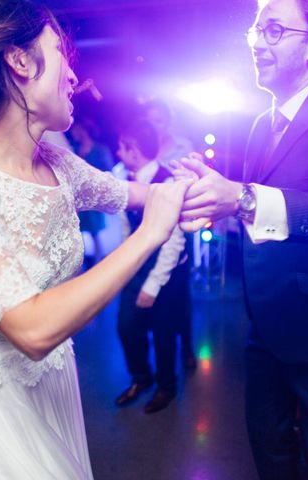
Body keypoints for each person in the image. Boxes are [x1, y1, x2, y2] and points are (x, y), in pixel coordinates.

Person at [0, 1, 189, 478]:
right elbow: (32, 329)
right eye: (61, 52)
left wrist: (218, 192)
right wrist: (147, 237)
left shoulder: (59, 164)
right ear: (20, 61)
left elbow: (143, 193)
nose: (72, 75)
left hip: (54, 385)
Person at [175, 0, 308, 478]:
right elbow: (262, 214)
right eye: (256, 29)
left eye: (273, 30)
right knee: (268, 448)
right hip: (268, 324)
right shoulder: (259, 124)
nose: (255, 42)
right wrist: (215, 203)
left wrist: (242, 198)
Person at [114, 120, 191, 414]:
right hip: (137, 266)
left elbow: (173, 242)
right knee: (126, 327)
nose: (119, 152)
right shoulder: (126, 180)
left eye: (123, 147)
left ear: (134, 150)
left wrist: (153, 284)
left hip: (165, 271)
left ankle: (166, 387)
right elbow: (126, 230)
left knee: (163, 333)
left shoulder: (168, 182)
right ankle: (141, 378)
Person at [143, 100, 197, 370]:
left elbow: (191, 183)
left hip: (180, 224)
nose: (155, 126)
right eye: (151, 120)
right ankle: (163, 351)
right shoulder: (144, 146)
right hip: (154, 221)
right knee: (159, 296)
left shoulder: (183, 146)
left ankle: (187, 347)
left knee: (179, 294)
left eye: (159, 120)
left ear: (168, 121)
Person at [69, 118, 115, 266]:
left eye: (75, 130)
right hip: (77, 199)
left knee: (95, 233)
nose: (73, 133)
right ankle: (79, 266)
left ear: (82, 130)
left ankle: (98, 264)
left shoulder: (100, 150)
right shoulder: (73, 150)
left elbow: (109, 171)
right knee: (77, 233)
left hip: (94, 199)